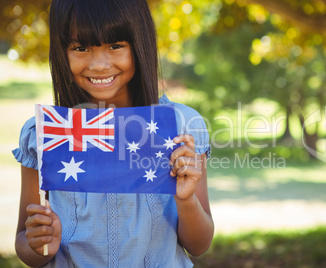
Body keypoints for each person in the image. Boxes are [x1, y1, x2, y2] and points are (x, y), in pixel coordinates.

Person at [12, 0, 214, 267]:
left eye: (115, 46)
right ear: (61, 51)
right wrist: (41, 243)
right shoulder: (45, 132)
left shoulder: (181, 126)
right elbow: (24, 243)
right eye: (80, 48)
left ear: (139, 44)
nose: (98, 64)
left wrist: (185, 199)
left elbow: (199, 246)